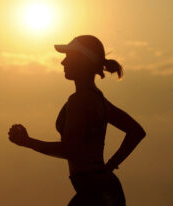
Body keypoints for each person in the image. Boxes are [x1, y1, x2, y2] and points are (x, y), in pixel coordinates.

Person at [8, 35, 146, 206]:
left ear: (83, 61)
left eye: (69, 57)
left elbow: (70, 150)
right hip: (103, 191)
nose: (63, 63)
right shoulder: (98, 98)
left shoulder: (80, 100)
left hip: (96, 194)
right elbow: (136, 132)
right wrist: (110, 166)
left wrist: (27, 142)